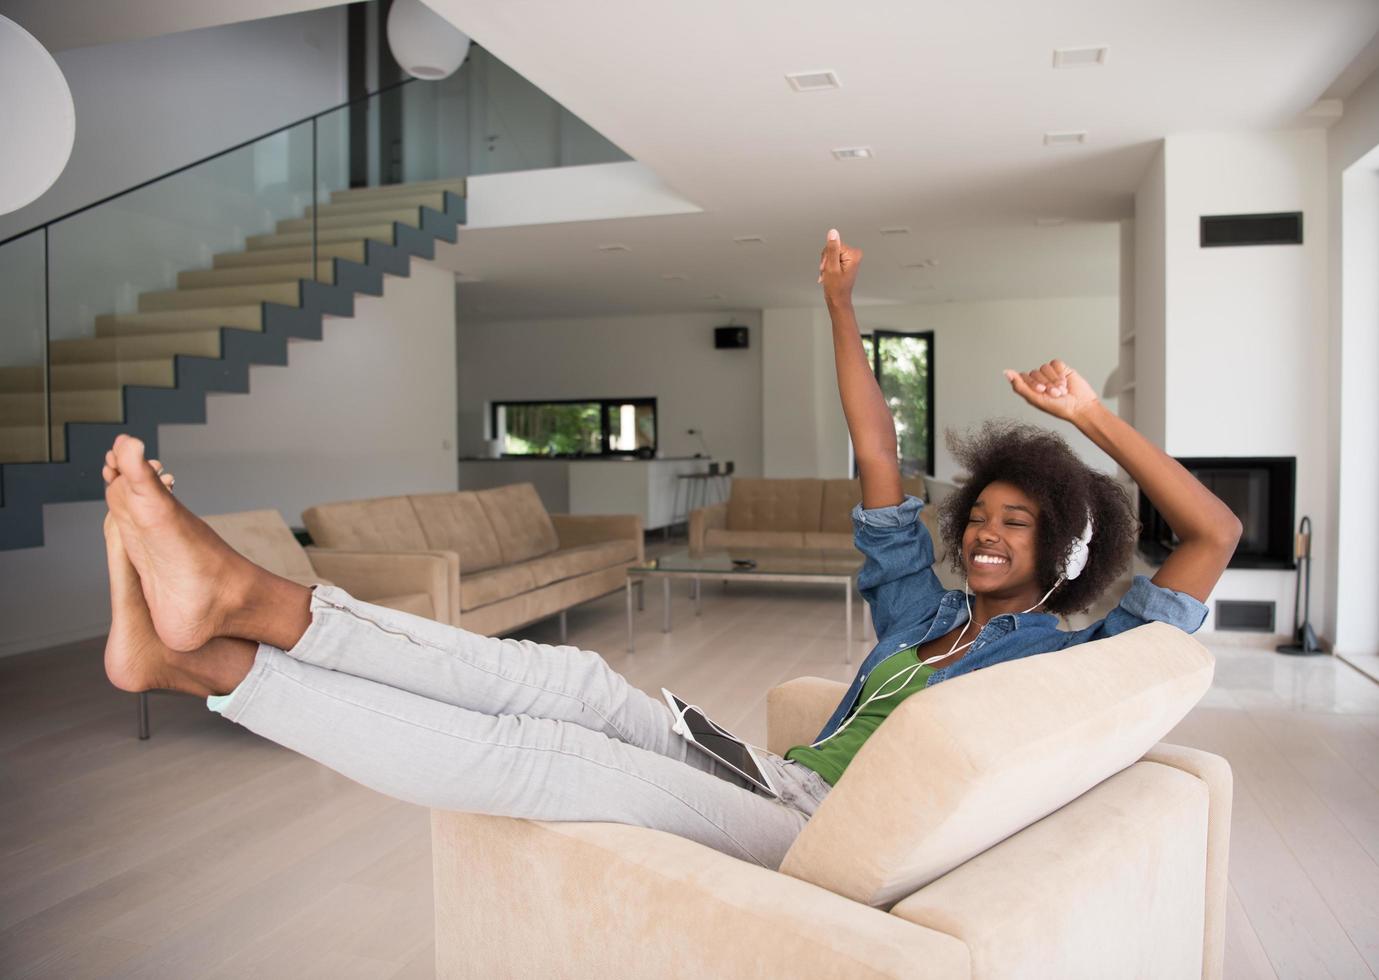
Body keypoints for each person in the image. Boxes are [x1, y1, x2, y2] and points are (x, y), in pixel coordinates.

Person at [98, 229, 1240, 871]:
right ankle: (225, 616)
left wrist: (1089, 415)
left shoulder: (1068, 652)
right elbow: (872, 446)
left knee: (546, 759)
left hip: (813, 830)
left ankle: (224, 655)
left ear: (1061, 544)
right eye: (980, 515)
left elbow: (1212, 533)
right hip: (763, 772)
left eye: (1016, 522)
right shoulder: (921, 613)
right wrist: (841, 308)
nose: (987, 533)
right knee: (558, 677)